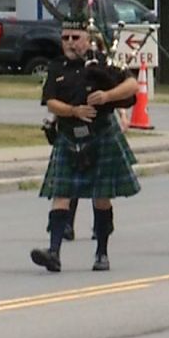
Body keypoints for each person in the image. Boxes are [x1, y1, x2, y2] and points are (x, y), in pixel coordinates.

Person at [31, 14, 141, 272]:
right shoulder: (57, 67)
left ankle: (102, 253)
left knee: (101, 197)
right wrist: (73, 111)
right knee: (60, 195)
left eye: (75, 38)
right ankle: (54, 252)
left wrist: (107, 96)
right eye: (65, 38)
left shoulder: (103, 63)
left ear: (87, 39)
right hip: (69, 136)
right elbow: (50, 102)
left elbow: (133, 85)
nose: (70, 43)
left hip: (100, 135)